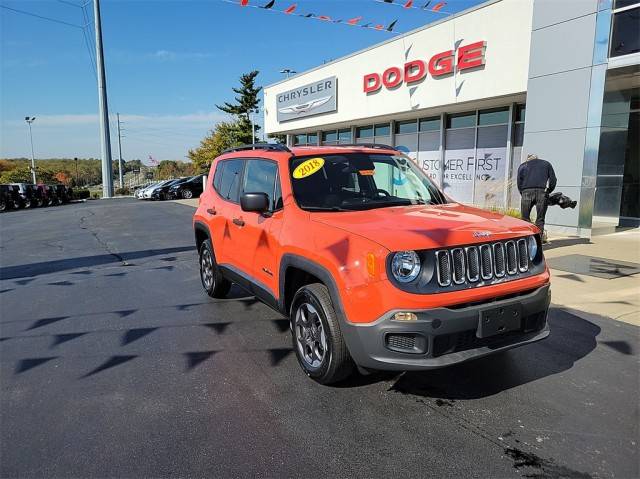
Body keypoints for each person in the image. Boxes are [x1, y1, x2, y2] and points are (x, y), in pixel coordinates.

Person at [517, 154, 557, 241]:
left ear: (528, 159)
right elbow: (553, 180)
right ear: (537, 158)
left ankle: (527, 241)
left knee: (525, 218)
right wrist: (548, 191)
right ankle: (538, 241)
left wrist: (522, 193)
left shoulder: (523, 166)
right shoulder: (546, 164)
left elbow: (519, 183)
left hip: (526, 192)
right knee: (540, 219)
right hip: (542, 192)